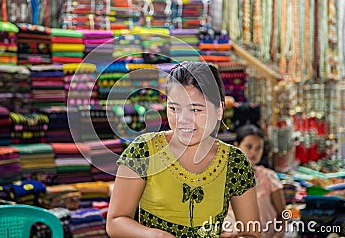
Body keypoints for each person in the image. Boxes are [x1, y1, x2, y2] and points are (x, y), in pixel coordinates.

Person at [106, 61, 260, 238]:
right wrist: (157, 236)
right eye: (174, 108)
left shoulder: (235, 162)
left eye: (195, 110)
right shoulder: (143, 151)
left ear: (219, 110)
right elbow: (116, 221)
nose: (182, 120)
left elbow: (251, 233)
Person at [229, 124, 287, 238]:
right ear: (236, 147)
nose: (253, 152)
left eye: (258, 148)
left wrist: (279, 234)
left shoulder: (268, 177)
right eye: (249, 147)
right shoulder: (224, 178)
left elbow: (283, 214)